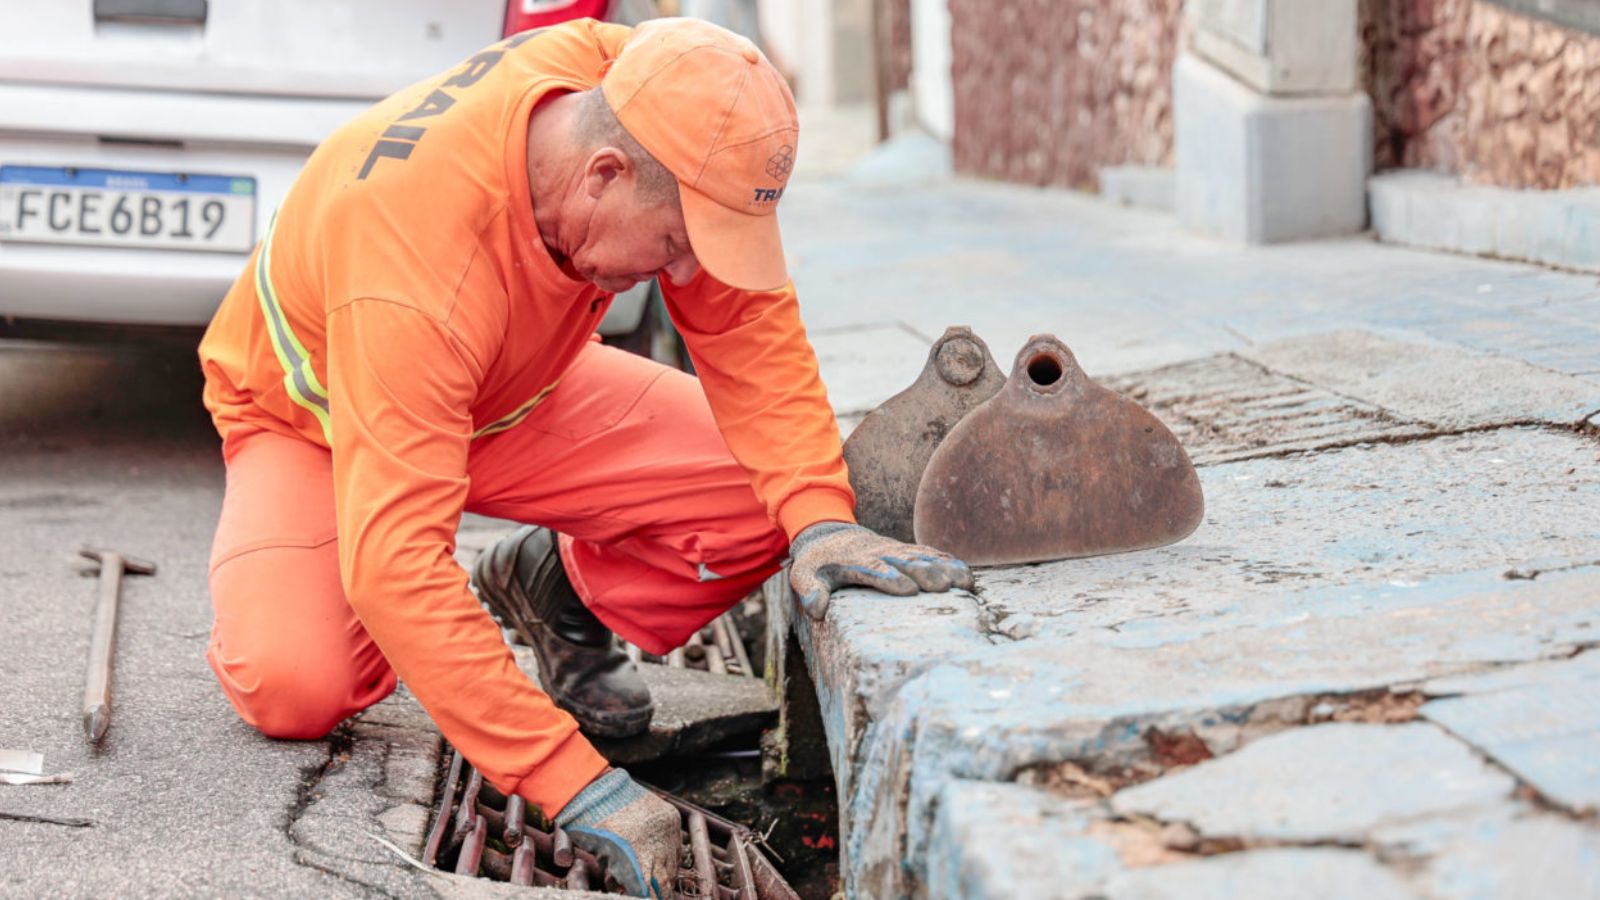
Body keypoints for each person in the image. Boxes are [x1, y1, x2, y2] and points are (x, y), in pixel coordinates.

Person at [196, 17, 972, 897]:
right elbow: (398, 563)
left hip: (513, 391)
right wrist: (580, 786)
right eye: (675, 246)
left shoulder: (648, 91)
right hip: (323, 423)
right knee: (297, 683)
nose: (681, 272)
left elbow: (748, 319)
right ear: (605, 176)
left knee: (774, 496)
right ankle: (327, 579)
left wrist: (823, 521)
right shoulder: (415, 261)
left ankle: (553, 583)